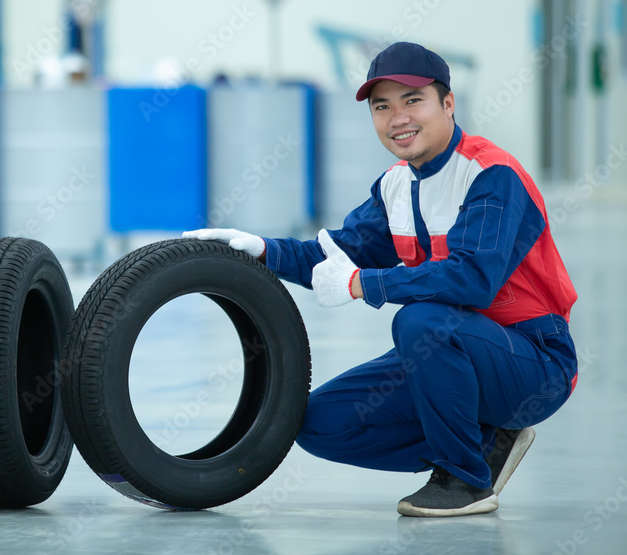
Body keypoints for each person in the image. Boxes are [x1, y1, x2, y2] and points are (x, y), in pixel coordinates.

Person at [184, 42, 578, 517]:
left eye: (413, 101)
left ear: (448, 103)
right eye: (382, 106)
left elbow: (472, 280)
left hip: (533, 360)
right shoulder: (396, 185)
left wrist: (363, 285)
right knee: (318, 424)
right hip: (449, 354)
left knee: (421, 320)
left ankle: (465, 480)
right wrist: (260, 250)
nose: (397, 118)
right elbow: (330, 256)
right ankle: (486, 443)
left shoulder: (490, 174)